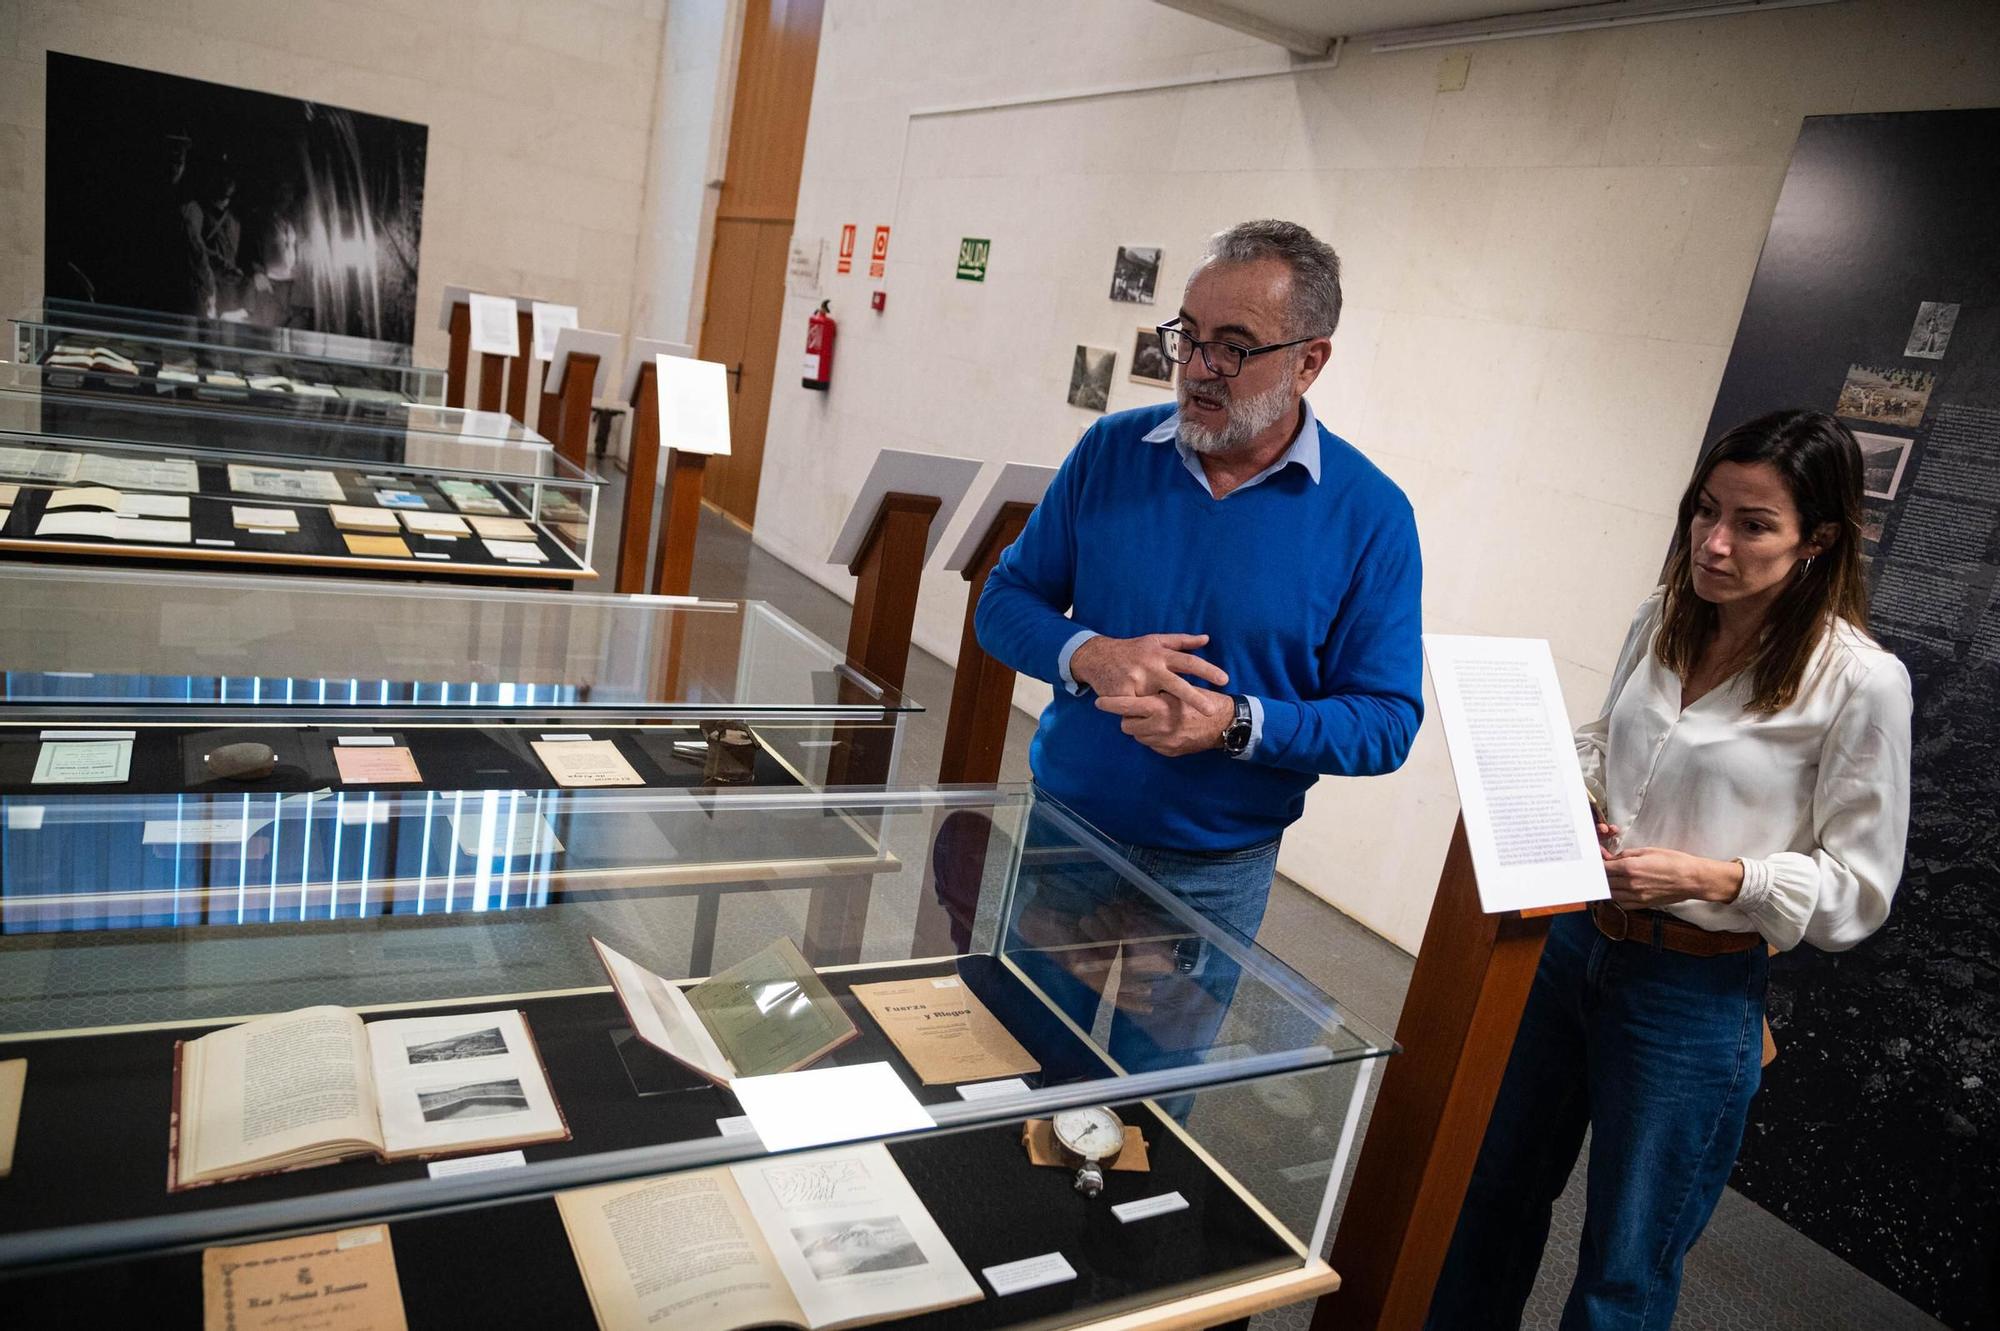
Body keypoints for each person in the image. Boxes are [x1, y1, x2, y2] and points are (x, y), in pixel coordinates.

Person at [1426, 408, 1913, 1330]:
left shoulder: (1861, 681)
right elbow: (1609, 739)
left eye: (1754, 524)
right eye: (1705, 509)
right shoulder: (1664, 616)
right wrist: (1576, 792)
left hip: (1692, 993)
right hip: (1573, 947)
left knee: (1625, 1264)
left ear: (1819, 541)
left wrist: (1714, 876)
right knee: (1486, 1201)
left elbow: (1859, 891)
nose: (1715, 542)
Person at [973, 218, 1423, 1074]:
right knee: (1013, 1062)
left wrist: (1236, 723)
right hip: (1066, 835)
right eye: (1187, 335)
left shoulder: (1371, 516)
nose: (1197, 367)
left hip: (1212, 874)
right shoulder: (1110, 453)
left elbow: (1385, 721)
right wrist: (1090, 653)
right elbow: (1004, 602)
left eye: (1234, 345)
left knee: (1151, 1105)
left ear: (1310, 360)